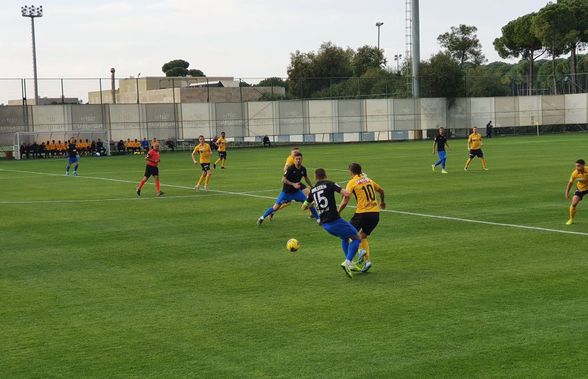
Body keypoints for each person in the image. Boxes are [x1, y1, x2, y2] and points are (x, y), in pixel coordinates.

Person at [303, 168, 362, 278]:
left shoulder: (313, 190)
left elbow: (304, 206)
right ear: (325, 175)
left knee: (344, 237)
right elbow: (347, 194)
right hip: (335, 220)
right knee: (357, 238)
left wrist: (312, 204)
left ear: (316, 177)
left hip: (325, 225)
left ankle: (351, 263)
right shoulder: (329, 183)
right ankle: (347, 262)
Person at [338, 163, 385, 273]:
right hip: (375, 214)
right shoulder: (368, 180)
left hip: (362, 214)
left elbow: (345, 199)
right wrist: (382, 202)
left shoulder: (352, 182)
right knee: (362, 237)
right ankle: (367, 261)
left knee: (349, 234)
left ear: (351, 172)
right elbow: (381, 190)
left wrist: (338, 211)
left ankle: (360, 252)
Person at [257, 151, 319, 225]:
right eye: (296, 159)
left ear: (302, 159)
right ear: (294, 160)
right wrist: (293, 184)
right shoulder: (290, 168)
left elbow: (306, 178)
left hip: (296, 192)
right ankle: (262, 218)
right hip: (286, 192)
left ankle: (319, 219)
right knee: (275, 207)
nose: (298, 160)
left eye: (299, 159)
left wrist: (312, 186)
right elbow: (283, 180)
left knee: (308, 203)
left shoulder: (303, 169)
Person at [565, 159, 588, 225]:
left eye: (578, 166)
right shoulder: (575, 173)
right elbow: (570, 183)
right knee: (574, 203)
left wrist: (585, 179)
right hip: (581, 188)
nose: (577, 168)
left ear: (583, 165)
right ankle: (571, 219)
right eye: (576, 166)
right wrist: (567, 193)